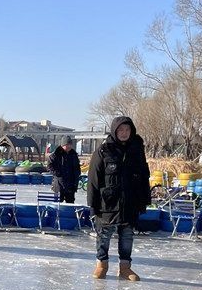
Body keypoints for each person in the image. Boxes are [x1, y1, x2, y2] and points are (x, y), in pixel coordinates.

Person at [87, 116, 151, 281]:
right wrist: (93, 206)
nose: (124, 133)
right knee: (104, 236)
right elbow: (93, 180)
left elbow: (144, 177)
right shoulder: (103, 151)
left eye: (127, 130)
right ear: (115, 131)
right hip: (107, 204)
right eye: (121, 130)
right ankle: (102, 265)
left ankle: (125, 268)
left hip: (130, 202)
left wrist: (143, 201)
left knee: (127, 236)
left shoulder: (137, 151)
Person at [47, 136, 81, 203]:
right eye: (67, 145)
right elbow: (49, 166)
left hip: (71, 185)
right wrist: (58, 173)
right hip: (59, 184)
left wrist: (77, 173)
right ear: (62, 145)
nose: (69, 146)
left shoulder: (74, 155)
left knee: (70, 204)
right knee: (58, 205)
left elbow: (77, 167)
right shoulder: (55, 155)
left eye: (70, 145)